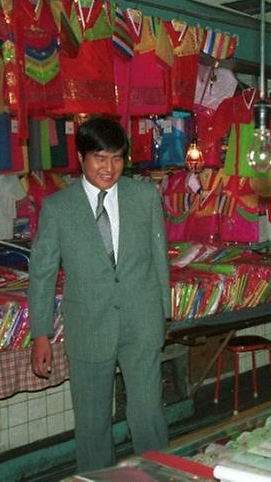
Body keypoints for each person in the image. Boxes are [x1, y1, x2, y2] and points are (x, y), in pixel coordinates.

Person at [28, 118, 170, 473]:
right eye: (100, 158)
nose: (110, 168)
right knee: (92, 424)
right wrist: (40, 334)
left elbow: (158, 260)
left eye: (118, 158)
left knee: (149, 414)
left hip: (141, 322)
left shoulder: (145, 196)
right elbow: (43, 273)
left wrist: (164, 316)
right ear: (81, 157)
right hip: (88, 326)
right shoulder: (58, 207)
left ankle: (158, 475)